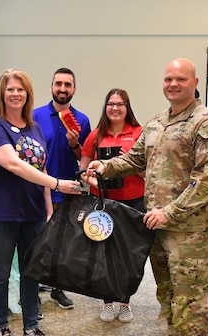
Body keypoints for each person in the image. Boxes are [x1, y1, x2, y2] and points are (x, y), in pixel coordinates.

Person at [85, 58, 208, 336]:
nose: (173, 84)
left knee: (190, 293)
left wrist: (168, 212)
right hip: (157, 226)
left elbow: (206, 182)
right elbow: (135, 158)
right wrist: (105, 167)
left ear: (194, 82)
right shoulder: (156, 123)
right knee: (166, 289)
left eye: (180, 79)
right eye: (168, 79)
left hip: (190, 229)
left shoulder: (207, 125)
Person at [0, 68, 82, 336]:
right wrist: (58, 183)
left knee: (31, 272)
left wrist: (48, 210)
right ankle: (2, 326)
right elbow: (13, 164)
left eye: (20, 89)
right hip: (0, 214)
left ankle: (31, 328)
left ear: (28, 93)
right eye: (10, 89)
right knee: (1, 273)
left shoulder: (35, 128)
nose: (15, 94)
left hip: (34, 213)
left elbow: (42, 168)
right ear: (3, 93)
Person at [79, 88, 144, 323]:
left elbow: (150, 171)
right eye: (110, 103)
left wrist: (129, 160)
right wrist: (92, 179)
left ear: (128, 108)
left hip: (135, 201)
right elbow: (83, 170)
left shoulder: (139, 133)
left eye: (120, 104)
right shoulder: (95, 135)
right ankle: (107, 302)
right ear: (105, 107)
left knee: (129, 254)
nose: (115, 108)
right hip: (104, 201)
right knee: (103, 253)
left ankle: (124, 302)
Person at [33, 67, 92, 310]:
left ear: (74, 89)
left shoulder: (83, 120)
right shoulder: (35, 116)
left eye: (68, 85)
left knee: (63, 243)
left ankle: (58, 289)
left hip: (68, 190)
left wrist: (75, 144)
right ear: (51, 87)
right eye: (58, 84)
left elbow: (84, 159)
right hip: (39, 190)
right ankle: (32, 291)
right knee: (37, 242)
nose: (62, 89)